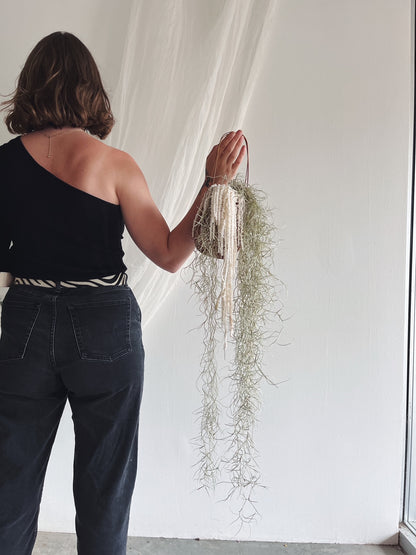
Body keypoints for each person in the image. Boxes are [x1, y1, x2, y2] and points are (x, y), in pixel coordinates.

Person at [0, 31, 245, 555]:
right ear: (90, 90)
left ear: (29, 89)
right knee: (105, 483)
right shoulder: (114, 164)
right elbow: (170, 252)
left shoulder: (2, 163)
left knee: (9, 480)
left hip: (24, 322)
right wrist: (212, 183)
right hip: (104, 325)